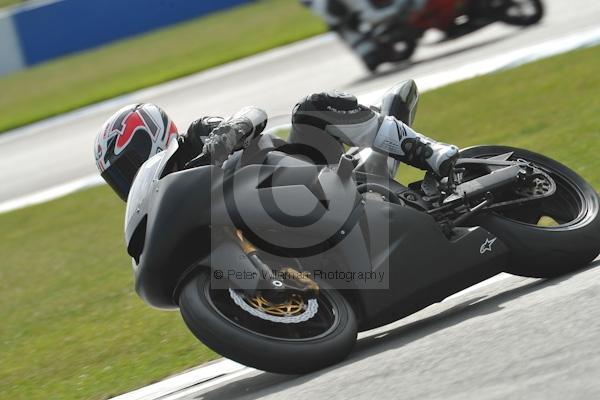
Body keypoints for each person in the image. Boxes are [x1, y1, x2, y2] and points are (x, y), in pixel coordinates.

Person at [94, 91, 458, 201]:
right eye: (119, 176)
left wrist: (229, 133)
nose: (128, 179)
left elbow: (254, 113)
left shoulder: (197, 135)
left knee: (311, 108)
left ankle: (432, 153)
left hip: (306, 171)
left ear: (150, 135)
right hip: (278, 217)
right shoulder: (160, 206)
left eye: (130, 164)